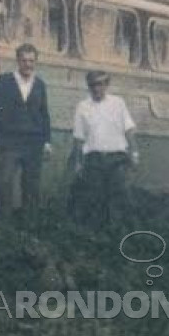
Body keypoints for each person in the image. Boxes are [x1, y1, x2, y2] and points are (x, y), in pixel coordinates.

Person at [0, 43, 52, 219]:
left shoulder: (40, 85)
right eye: (24, 60)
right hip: (10, 141)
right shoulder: (4, 81)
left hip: (33, 143)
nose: (28, 64)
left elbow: (44, 115)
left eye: (32, 60)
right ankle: (3, 225)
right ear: (17, 61)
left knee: (31, 186)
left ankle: (29, 226)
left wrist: (47, 142)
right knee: (5, 183)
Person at [69, 71, 138, 226]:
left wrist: (134, 152)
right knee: (95, 197)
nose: (96, 88)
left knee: (120, 195)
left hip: (117, 158)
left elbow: (129, 129)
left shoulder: (118, 103)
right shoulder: (82, 106)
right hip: (94, 159)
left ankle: (120, 233)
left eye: (100, 84)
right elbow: (78, 137)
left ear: (106, 85)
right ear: (88, 86)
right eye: (92, 85)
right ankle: (98, 235)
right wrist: (78, 162)